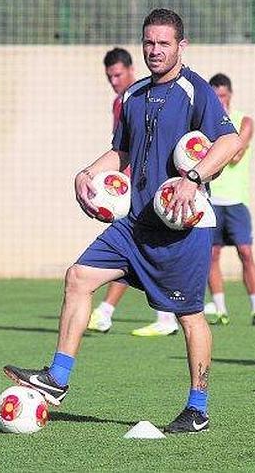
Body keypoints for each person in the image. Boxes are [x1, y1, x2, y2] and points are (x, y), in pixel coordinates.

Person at [3, 9, 240, 433]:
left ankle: (197, 408)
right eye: (149, 42)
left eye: (164, 43)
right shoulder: (133, 96)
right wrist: (88, 172)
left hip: (182, 229)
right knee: (78, 277)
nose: (155, 50)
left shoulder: (195, 90)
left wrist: (194, 176)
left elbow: (229, 140)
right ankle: (57, 379)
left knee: (188, 317)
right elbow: (124, 152)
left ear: (181, 47)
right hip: (135, 226)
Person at [88, 47, 179, 337]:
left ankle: (107, 313)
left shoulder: (145, 97)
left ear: (130, 69)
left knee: (131, 248)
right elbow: (122, 148)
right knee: (135, 249)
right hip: (126, 186)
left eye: (117, 74)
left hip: (140, 189)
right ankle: (160, 316)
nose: (114, 81)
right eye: (109, 76)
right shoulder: (123, 100)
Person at [205, 73, 255, 326]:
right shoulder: (204, 122)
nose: (219, 101)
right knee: (212, 255)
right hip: (212, 200)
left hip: (235, 200)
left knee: (245, 252)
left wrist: (216, 145)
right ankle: (221, 310)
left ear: (229, 95)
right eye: (215, 96)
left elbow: (234, 156)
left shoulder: (244, 121)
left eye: (222, 95)